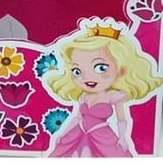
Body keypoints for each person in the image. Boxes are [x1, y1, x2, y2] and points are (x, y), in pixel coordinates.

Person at [44, 22, 162, 157]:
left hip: (100, 135)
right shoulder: (85, 96)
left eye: (101, 68)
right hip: (78, 132)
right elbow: (77, 118)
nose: (86, 77)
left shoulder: (114, 95)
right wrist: (63, 134)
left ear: (121, 71)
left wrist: (122, 138)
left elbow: (121, 120)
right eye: (77, 71)